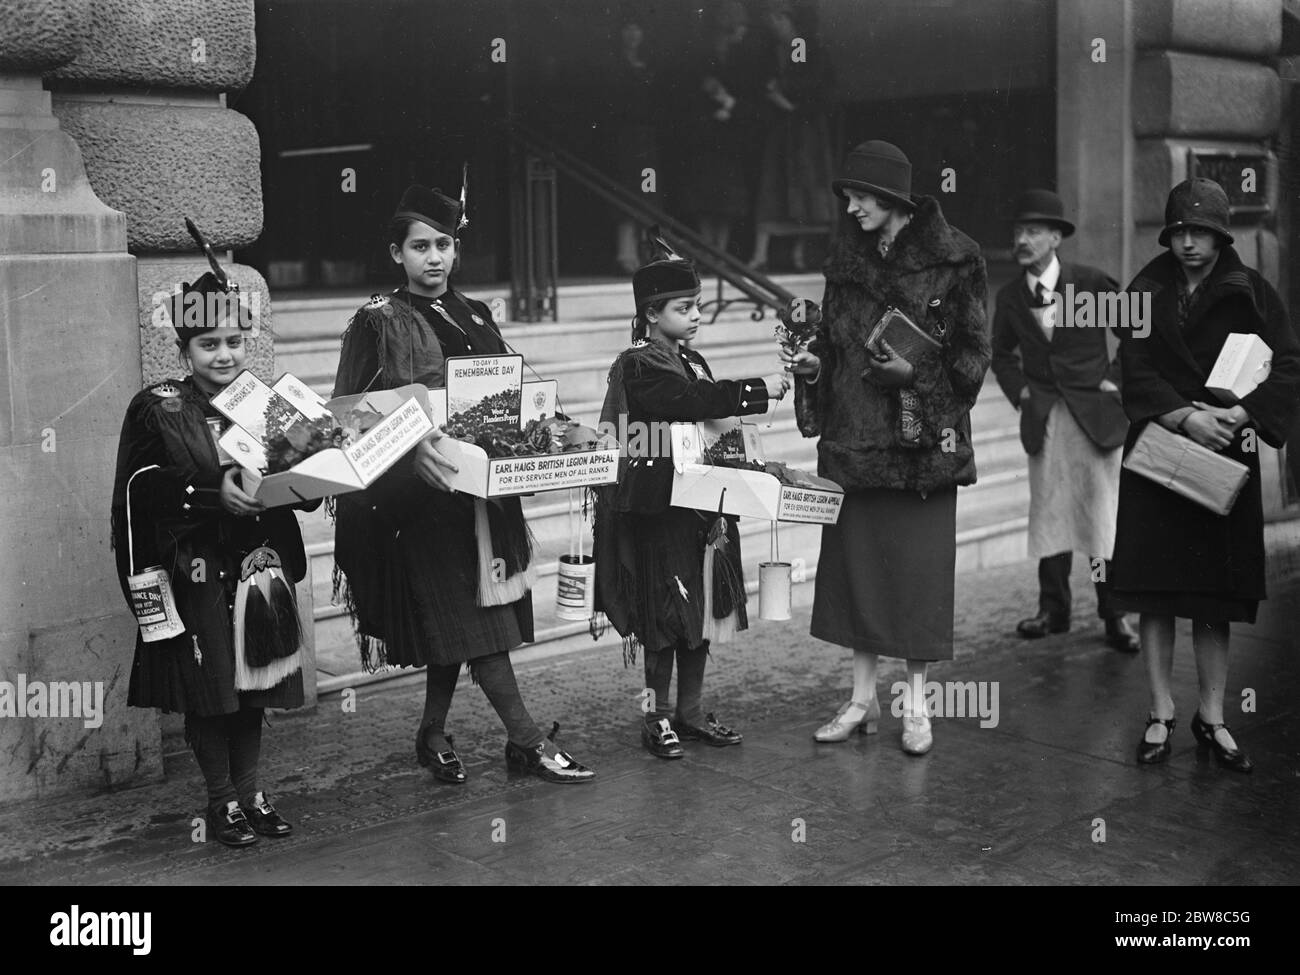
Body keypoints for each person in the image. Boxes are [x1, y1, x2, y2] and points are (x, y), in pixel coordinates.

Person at [331, 183, 595, 784]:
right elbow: (352, 413)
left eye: (444, 244)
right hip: (420, 501)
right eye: (419, 246)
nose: (434, 258)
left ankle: (431, 733)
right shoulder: (379, 321)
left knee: (466, 616)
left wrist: (564, 429)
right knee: (477, 626)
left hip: (481, 490)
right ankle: (526, 740)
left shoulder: (475, 313)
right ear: (396, 253)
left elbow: (510, 394)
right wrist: (409, 453)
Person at [781, 140, 991, 755]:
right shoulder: (844, 261)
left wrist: (914, 378)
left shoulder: (958, 260)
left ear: (892, 200)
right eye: (846, 197)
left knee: (917, 586)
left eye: (859, 196)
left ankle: (918, 707)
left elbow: (973, 363)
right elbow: (834, 345)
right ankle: (860, 699)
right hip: (854, 448)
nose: (849, 208)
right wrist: (813, 367)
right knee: (859, 582)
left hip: (923, 456)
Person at [111, 264, 306, 848]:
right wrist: (206, 494)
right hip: (195, 568)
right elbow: (140, 488)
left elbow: (299, 480)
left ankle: (252, 794)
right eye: (208, 344)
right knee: (212, 690)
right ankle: (222, 803)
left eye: (234, 342)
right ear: (183, 347)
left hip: (257, 566)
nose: (224, 355)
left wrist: (323, 474)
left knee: (253, 688)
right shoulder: (157, 407)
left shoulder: (270, 406)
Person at [1113, 177, 1300, 773]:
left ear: (1221, 235)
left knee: (1214, 594)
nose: (1189, 243)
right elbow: (1132, 366)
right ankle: (1162, 712)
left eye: (1201, 232)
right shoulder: (1143, 290)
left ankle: (1213, 717)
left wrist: (1242, 413)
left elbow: (1290, 366)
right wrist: (1185, 416)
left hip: (1225, 453)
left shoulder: (1254, 294)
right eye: (1179, 232)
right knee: (1157, 590)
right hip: (1161, 455)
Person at [593, 248, 789, 758]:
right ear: (651, 314)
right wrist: (756, 390)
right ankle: (655, 717)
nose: (697, 316)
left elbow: (707, 416)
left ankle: (692, 711)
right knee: (663, 618)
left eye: (699, 306)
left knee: (699, 609)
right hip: (659, 511)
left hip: (702, 508)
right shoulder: (639, 365)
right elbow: (688, 402)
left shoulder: (689, 358)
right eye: (685, 308)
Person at [990, 189, 1139, 652]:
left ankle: (1114, 614)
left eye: (1033, 231)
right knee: (1050, 512)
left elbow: (1135, 334)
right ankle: (1052, 610)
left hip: (1095, 416)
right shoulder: (1013, 296)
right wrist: (1022, 394)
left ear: (1056, 237)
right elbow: (1000, 354)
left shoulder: (1091, 284)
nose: (1022, 240)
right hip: (1047, 417)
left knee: (1100, 517)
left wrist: (1115, 379)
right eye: (1018, 232)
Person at [746, 0, 836, 272]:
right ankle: (760, 254)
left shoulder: (804, 48)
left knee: (804, 186)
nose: (773, 25)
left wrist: (783, 96)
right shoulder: (773, 51)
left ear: (788, 19)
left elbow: (813, 86)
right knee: (773, 186)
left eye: (777, 19)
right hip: (780, 132)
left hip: (804, 131)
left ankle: (798, 255)